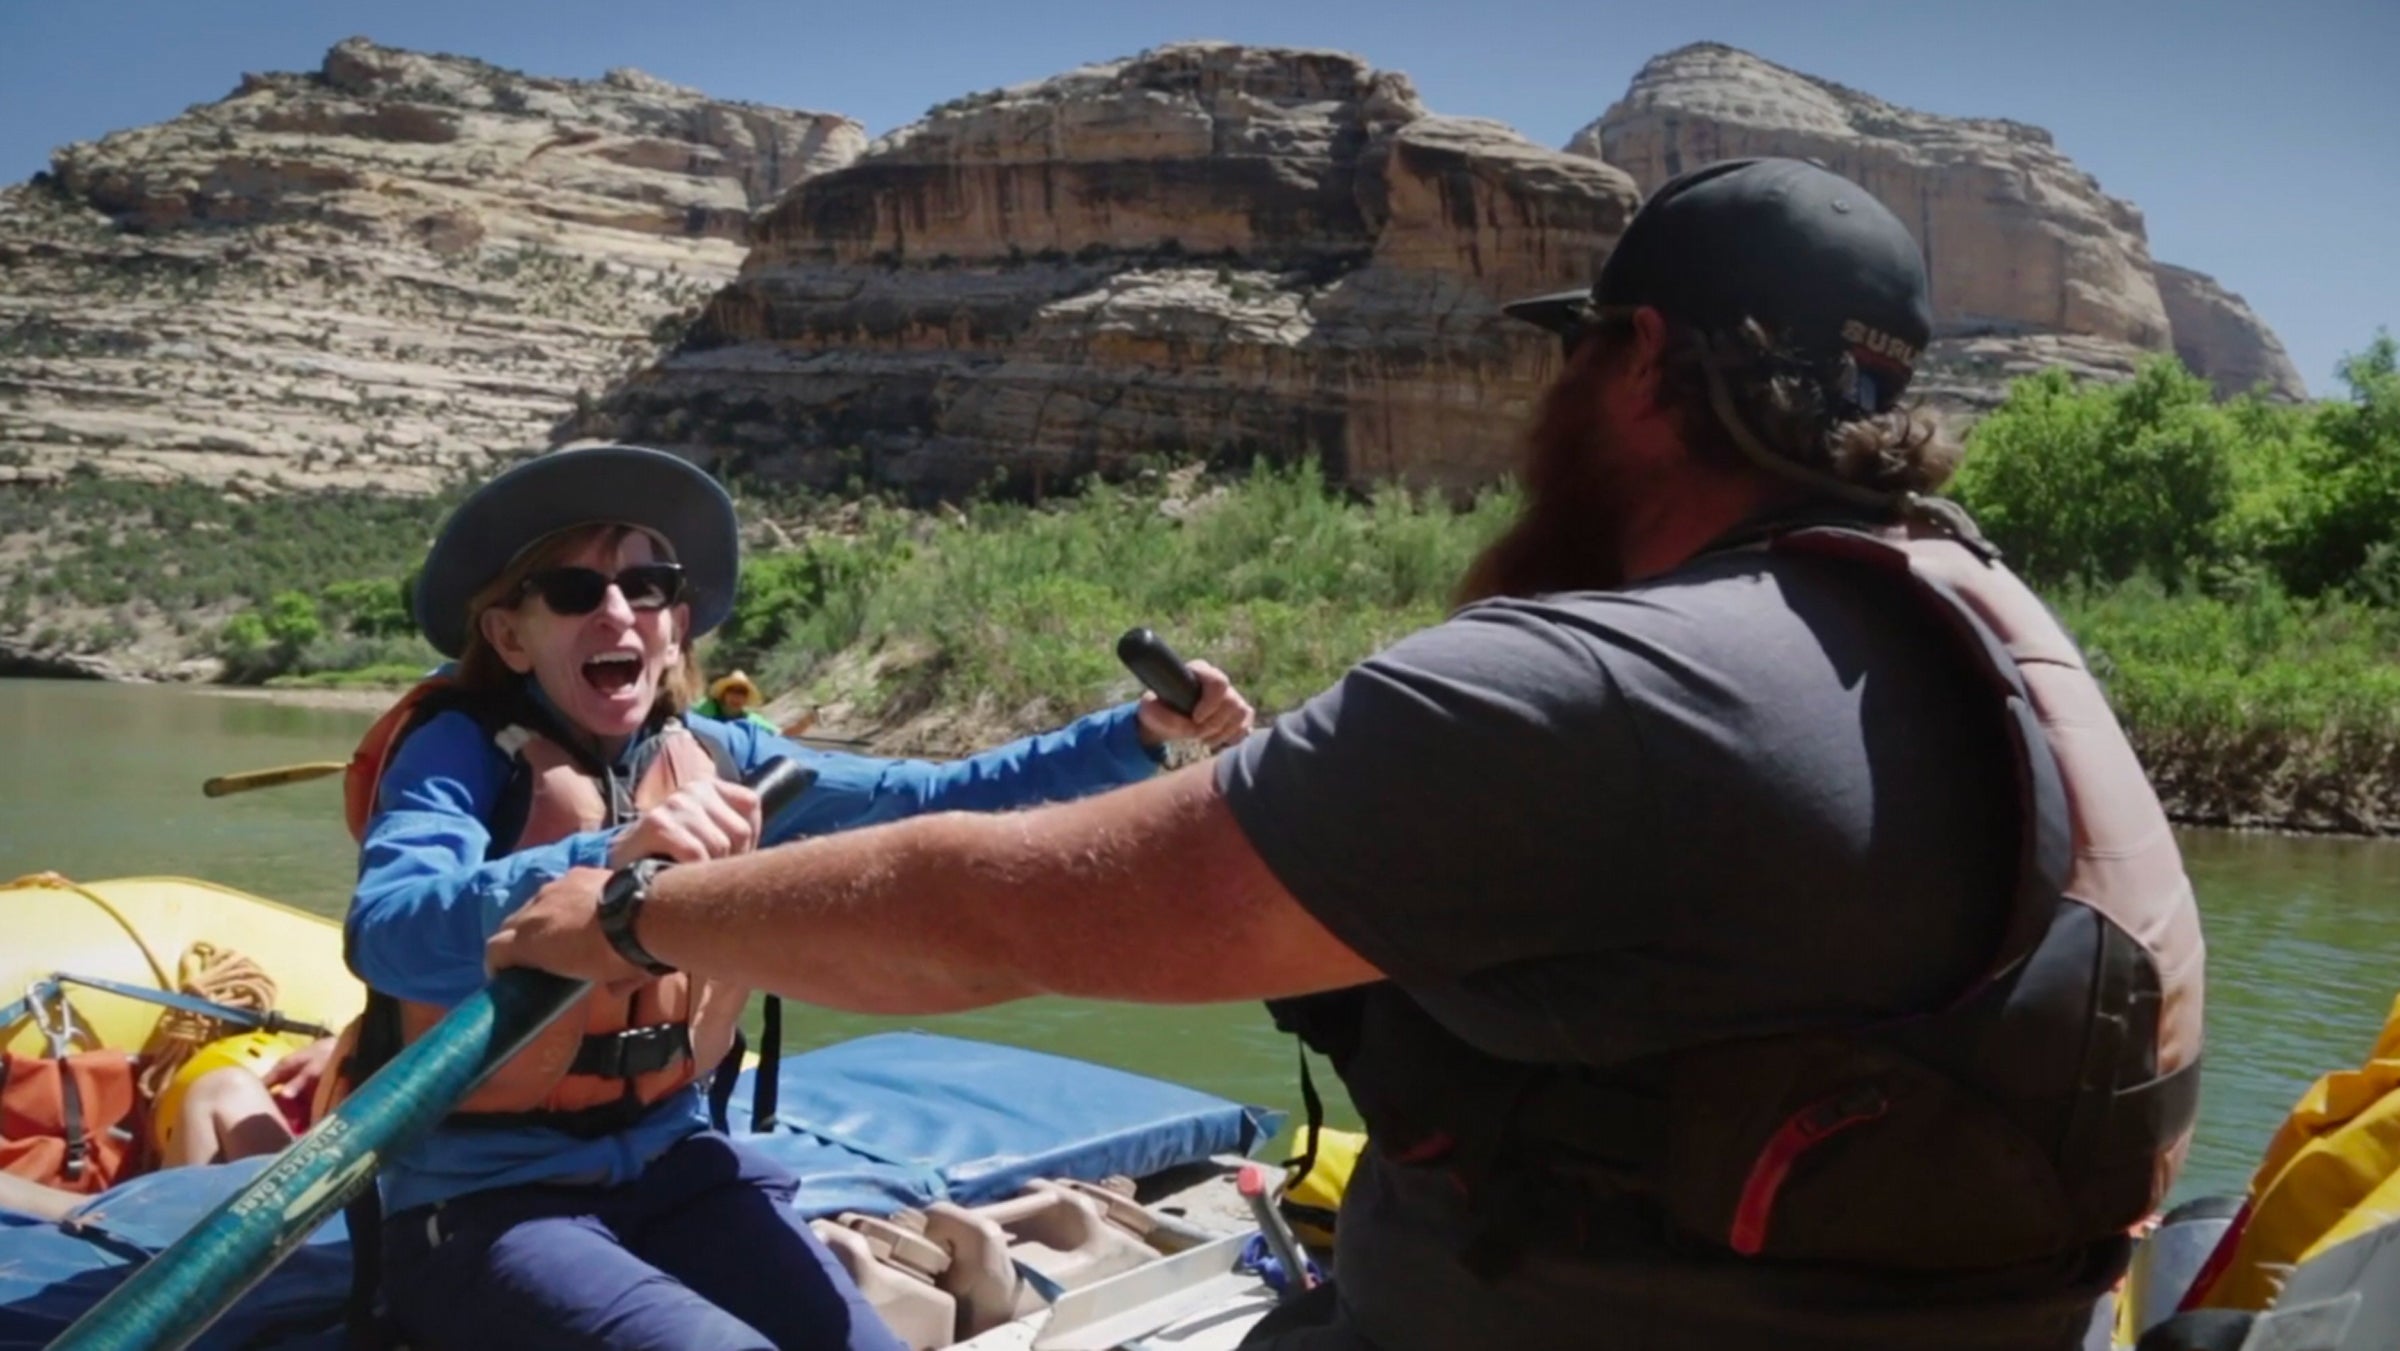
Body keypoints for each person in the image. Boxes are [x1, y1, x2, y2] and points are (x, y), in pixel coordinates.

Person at [491, 159, 2206, 1351]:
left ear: (1642, 363)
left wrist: (635, 920)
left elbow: (985, 914)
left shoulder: (1598, 684)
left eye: (1576, 352)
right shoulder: (2017, 638)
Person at [339, 443, 1251, 1351]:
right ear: (509, 635)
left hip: (674, 1162)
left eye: (646, 586)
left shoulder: (721, 755)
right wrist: (603, 859)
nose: (617, 611)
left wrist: (1132, 733)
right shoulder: (457, 750)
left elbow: (933, 798)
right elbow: (386, 931)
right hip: (486, 1202)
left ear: (676, 623)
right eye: (574, 592)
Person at [695, 670, 779, 730]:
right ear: (724, 694)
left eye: (742, 692)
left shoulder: (749, 719)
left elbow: (775, 733)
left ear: (746, 698)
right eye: (732, 690)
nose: (736, 697)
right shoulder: (708, 707)